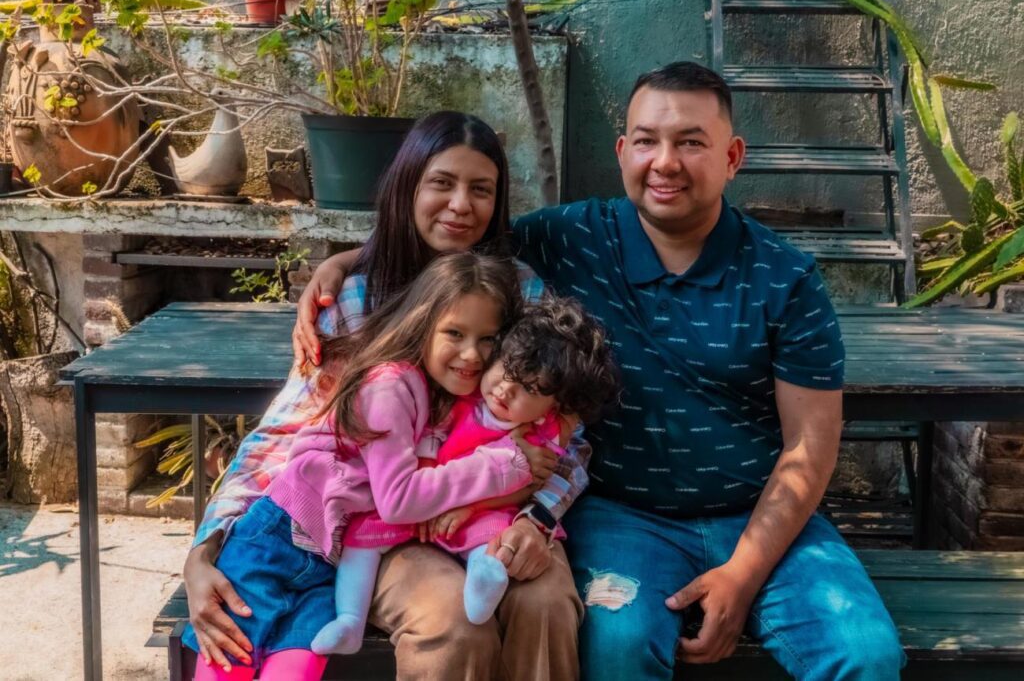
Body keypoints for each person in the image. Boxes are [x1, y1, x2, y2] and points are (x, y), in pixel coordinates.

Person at [297, 63, 905, 680]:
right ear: (622, 152)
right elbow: (456, 237)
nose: (664, 162)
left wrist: (743, 574)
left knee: (866, 655)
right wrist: (348, 263)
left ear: (732, 157)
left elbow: (810, 447)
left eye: (691, 142)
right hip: (625, 518)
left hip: (759, 516)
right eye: (646, 140)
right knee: (616, 646)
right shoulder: (572, 238)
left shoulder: (785, 278)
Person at [184, 111, 585, 681]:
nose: (461, 204)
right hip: (387, 526)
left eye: (481, 189)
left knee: (545, 602)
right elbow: (286, 432)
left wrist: (536, 520)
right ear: (407, 187)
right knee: (451, 621)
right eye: (441, 182)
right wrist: (204, 547)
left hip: (503, 510)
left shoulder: (523, 294)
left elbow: (570, 439)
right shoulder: (356, 300)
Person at [184, 252, 545, 680]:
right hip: (280, 539)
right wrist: (504, 466)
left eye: (488, 339)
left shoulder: (448, 392)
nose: (472, 354)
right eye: (455, 333)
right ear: (422, 324)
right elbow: (397, 500)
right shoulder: (390, 386)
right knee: (230, 664)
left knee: (296, 670)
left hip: (329, 562)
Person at [313, 296, 619, 656]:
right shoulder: (459, 392)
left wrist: (474, 508)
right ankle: (349, 619)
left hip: (487, 517)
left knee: (535, 594)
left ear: (553, 406)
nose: (506, 389)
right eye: (507, 371)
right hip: (419, 504)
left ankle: (483, 581)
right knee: (369, 542)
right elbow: (424, 445)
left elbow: (541, 478)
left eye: (530, 389)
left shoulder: (542, 431)